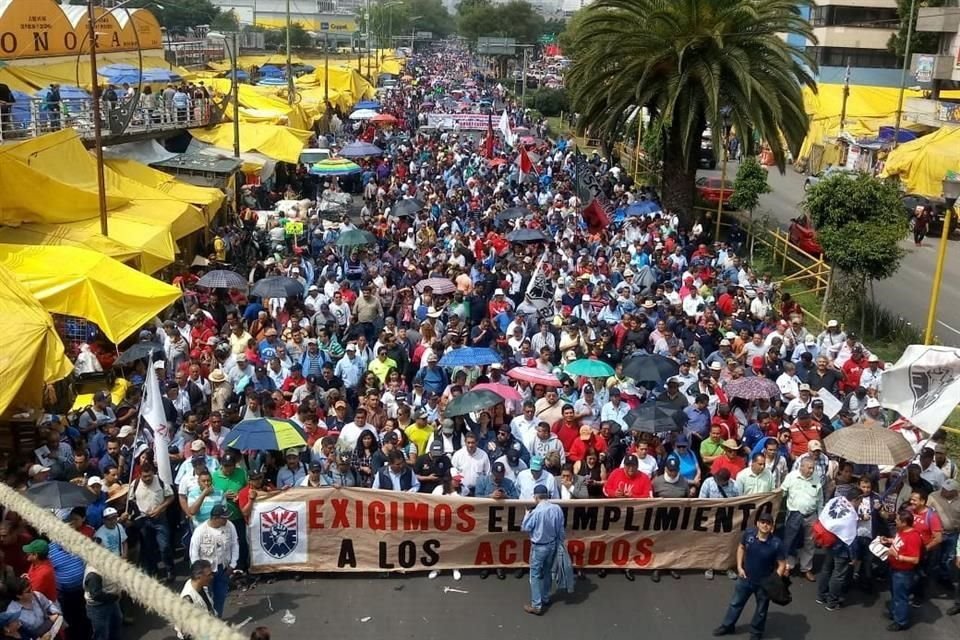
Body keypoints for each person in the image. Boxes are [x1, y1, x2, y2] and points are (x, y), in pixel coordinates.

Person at [713, 512, 787, 640]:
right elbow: (741, 548)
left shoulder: (776, 544)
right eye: (762, 522)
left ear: (772, 527)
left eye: (768, 523)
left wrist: (774, 580)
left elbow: (782, 564)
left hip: (764, 584)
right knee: (735, 603)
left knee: (761, 610)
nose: (765, 525)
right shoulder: (749, 535)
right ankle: (727, 626)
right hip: (746, 578)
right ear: (757, 523)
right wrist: (739, 567)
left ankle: (756, 633)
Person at [520, 485, 566, 615]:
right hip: (552, 545)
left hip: (539, 546)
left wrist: (526, 515)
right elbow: (561, 529)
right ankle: (545, 597)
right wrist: (560, 544)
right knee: (547, 572)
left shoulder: (536, 512)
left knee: (535, 574)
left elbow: (525, 528)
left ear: (536, 496)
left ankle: (536, 604)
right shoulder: (557, 509)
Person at [188, 505, 239, 618]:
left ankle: (217, 618)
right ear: (215, 518)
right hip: (206, 573)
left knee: (221, 596)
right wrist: (200, 574)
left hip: (223, 569)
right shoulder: (200, 531)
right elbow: (194, 554)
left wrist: (232, 564)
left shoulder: (230, 526)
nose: (227, 520)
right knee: (206, 598)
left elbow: (235, 544)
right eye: (224, 518)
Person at [816, 489, 863, 611]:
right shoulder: (850, 515)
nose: (860, 503)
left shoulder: (836, 500)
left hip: (829, 539)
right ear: (856, 499)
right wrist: (853, 557)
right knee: (838, 574)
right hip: (841, 547)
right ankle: (832, 602)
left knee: (826, 568)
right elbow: (850, 539)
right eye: (860, 500)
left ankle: (821, 596)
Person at [780, 457, 823, 581]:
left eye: (813, 468)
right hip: (794, 515)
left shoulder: (816, 478)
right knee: (790, 541)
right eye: (809, 468)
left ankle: (806, 568)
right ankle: (788, 566)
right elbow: (782, 493)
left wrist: (820, 517)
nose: (811, 471)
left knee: (809, 543)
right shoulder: (791, 477)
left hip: (811, 516)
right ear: (801, 467)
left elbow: (820, 499)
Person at [880, 509, 923, 631]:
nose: (895, 521)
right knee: (895, 593)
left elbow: (915, 559)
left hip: (903, 572)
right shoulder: (901, 531)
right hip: (894, 568)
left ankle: (901, 622)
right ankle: (895, 613)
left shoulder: (913, 537)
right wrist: (888, 540)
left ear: (904, 523)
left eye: (898, 520)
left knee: (901, 597)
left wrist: (898, 556)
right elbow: (899, 542)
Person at [83, 552, 121, 640]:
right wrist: (114, 597)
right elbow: (96, 595)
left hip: (111, 603)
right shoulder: (93, 574)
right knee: (102, 634)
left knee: (116, 625)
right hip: (99, 608)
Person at [177, 560, 216, 640]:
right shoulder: (187, 599)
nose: (212, 577)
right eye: (209, 575)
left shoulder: (198, 585)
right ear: (199, 577)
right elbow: (186, 631)